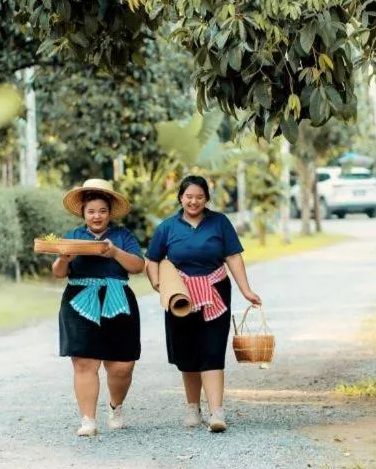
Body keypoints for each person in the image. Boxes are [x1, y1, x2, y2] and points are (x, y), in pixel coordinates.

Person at [145, 175, 261, 433]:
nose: (194, 201)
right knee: (186, 351)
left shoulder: (219, 222)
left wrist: (246, 290)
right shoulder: (167, 227)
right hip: (181, 295)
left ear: (207, 198)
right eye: (189, 196)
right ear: (180, 198)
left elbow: (232, 256)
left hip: (215, 290)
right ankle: (192, 407)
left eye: (199, 197)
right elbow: (152, 259)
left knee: (212, 349)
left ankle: (216, 411)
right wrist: (159, 286)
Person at [52, 179, 146, 437]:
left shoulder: (123, 236)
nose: (97, 216)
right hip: (79, 300)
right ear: (83, 212)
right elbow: (58, 273)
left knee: (122, 366)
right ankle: (88, 420)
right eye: (91, 211)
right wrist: (63, 258)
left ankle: (116, 407)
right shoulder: (72, 236)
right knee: (84, 361)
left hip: (118, 299)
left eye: (102, 211)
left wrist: (115, 253)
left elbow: (139, 266)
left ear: (110, 212)